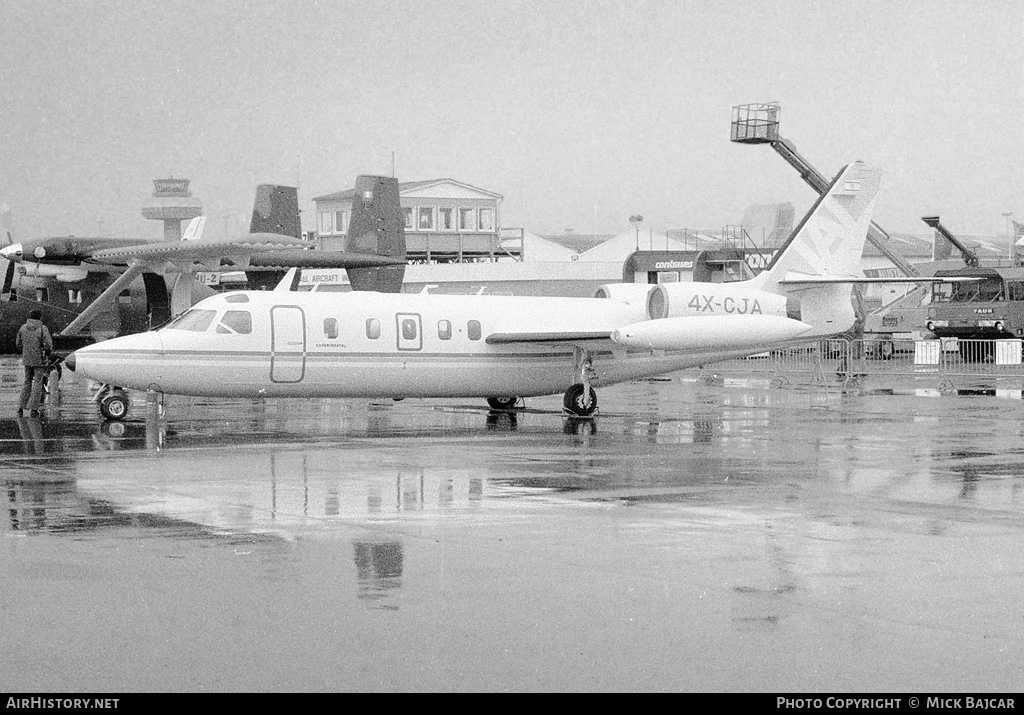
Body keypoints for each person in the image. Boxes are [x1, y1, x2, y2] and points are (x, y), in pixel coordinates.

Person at [16, 308, 53, 416]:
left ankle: (21, 406)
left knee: (27, 382)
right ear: (40, 317)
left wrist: (25, 351)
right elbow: (48, 344)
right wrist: (47, 352)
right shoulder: (42, 328)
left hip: (27, 359)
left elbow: (18, 343)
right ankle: (33, 408)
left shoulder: (23, 328)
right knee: (37, 382)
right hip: (39, 359)